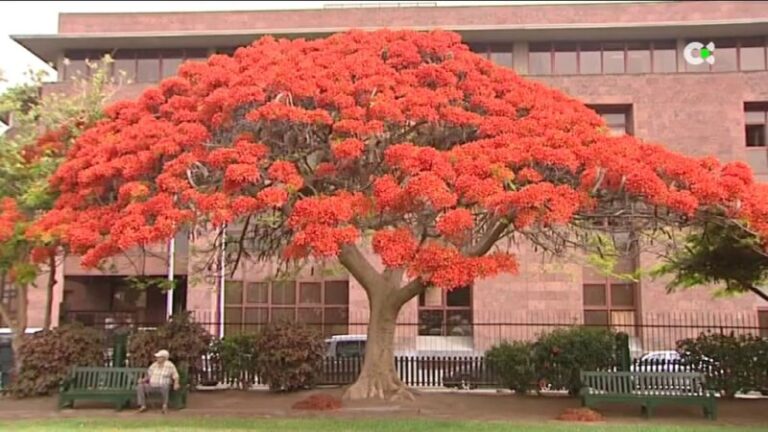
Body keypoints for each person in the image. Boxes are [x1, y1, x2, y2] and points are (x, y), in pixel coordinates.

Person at [136, 349, 180, 413]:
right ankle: (142, 406)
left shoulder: (170, 365)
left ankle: (164, 406)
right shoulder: (154, 365)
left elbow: (176, 375)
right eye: (157, 357)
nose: (157, 358)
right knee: (140, 387)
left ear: (164, 358)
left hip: (163, 386)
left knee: (165, 386)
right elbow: (148, 376)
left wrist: (176, 383)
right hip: (152, 385)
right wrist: (142, 380)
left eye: (159, 357)